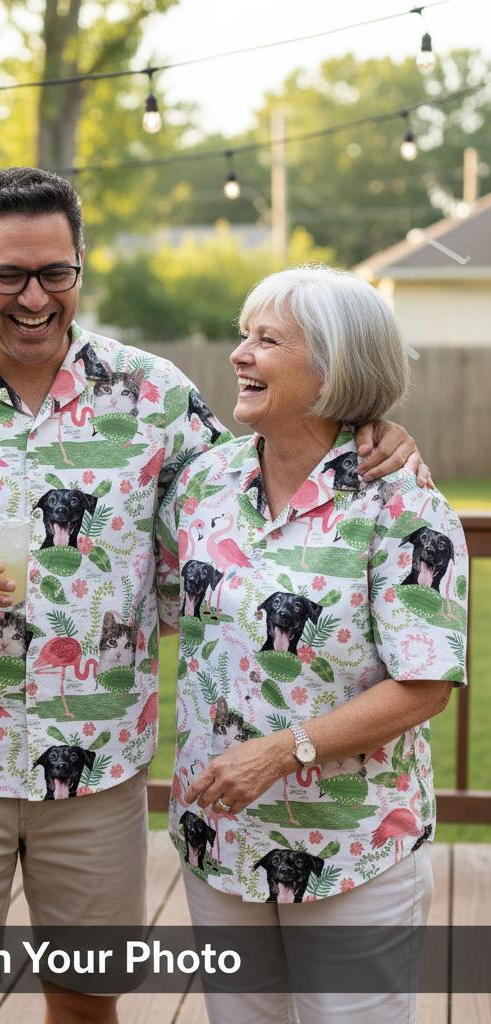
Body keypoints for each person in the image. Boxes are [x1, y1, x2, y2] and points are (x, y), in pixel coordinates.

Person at [0, 168, 423, 1024]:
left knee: (88, 1001)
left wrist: (377, 429)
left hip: (100, 765)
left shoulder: (156, 397)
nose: (34, 297)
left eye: (55, 273)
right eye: (9, 276)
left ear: (80, 268)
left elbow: (267, 471)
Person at [155, 265, 467, 1024]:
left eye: (267, 340)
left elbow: (424, 684)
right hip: (218, 836)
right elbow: (165, 605)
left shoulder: (403, 505)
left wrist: (280, 749)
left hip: (351, 848)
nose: (239, 354)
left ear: (334, 369)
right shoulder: (203, 485)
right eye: (242, 335)